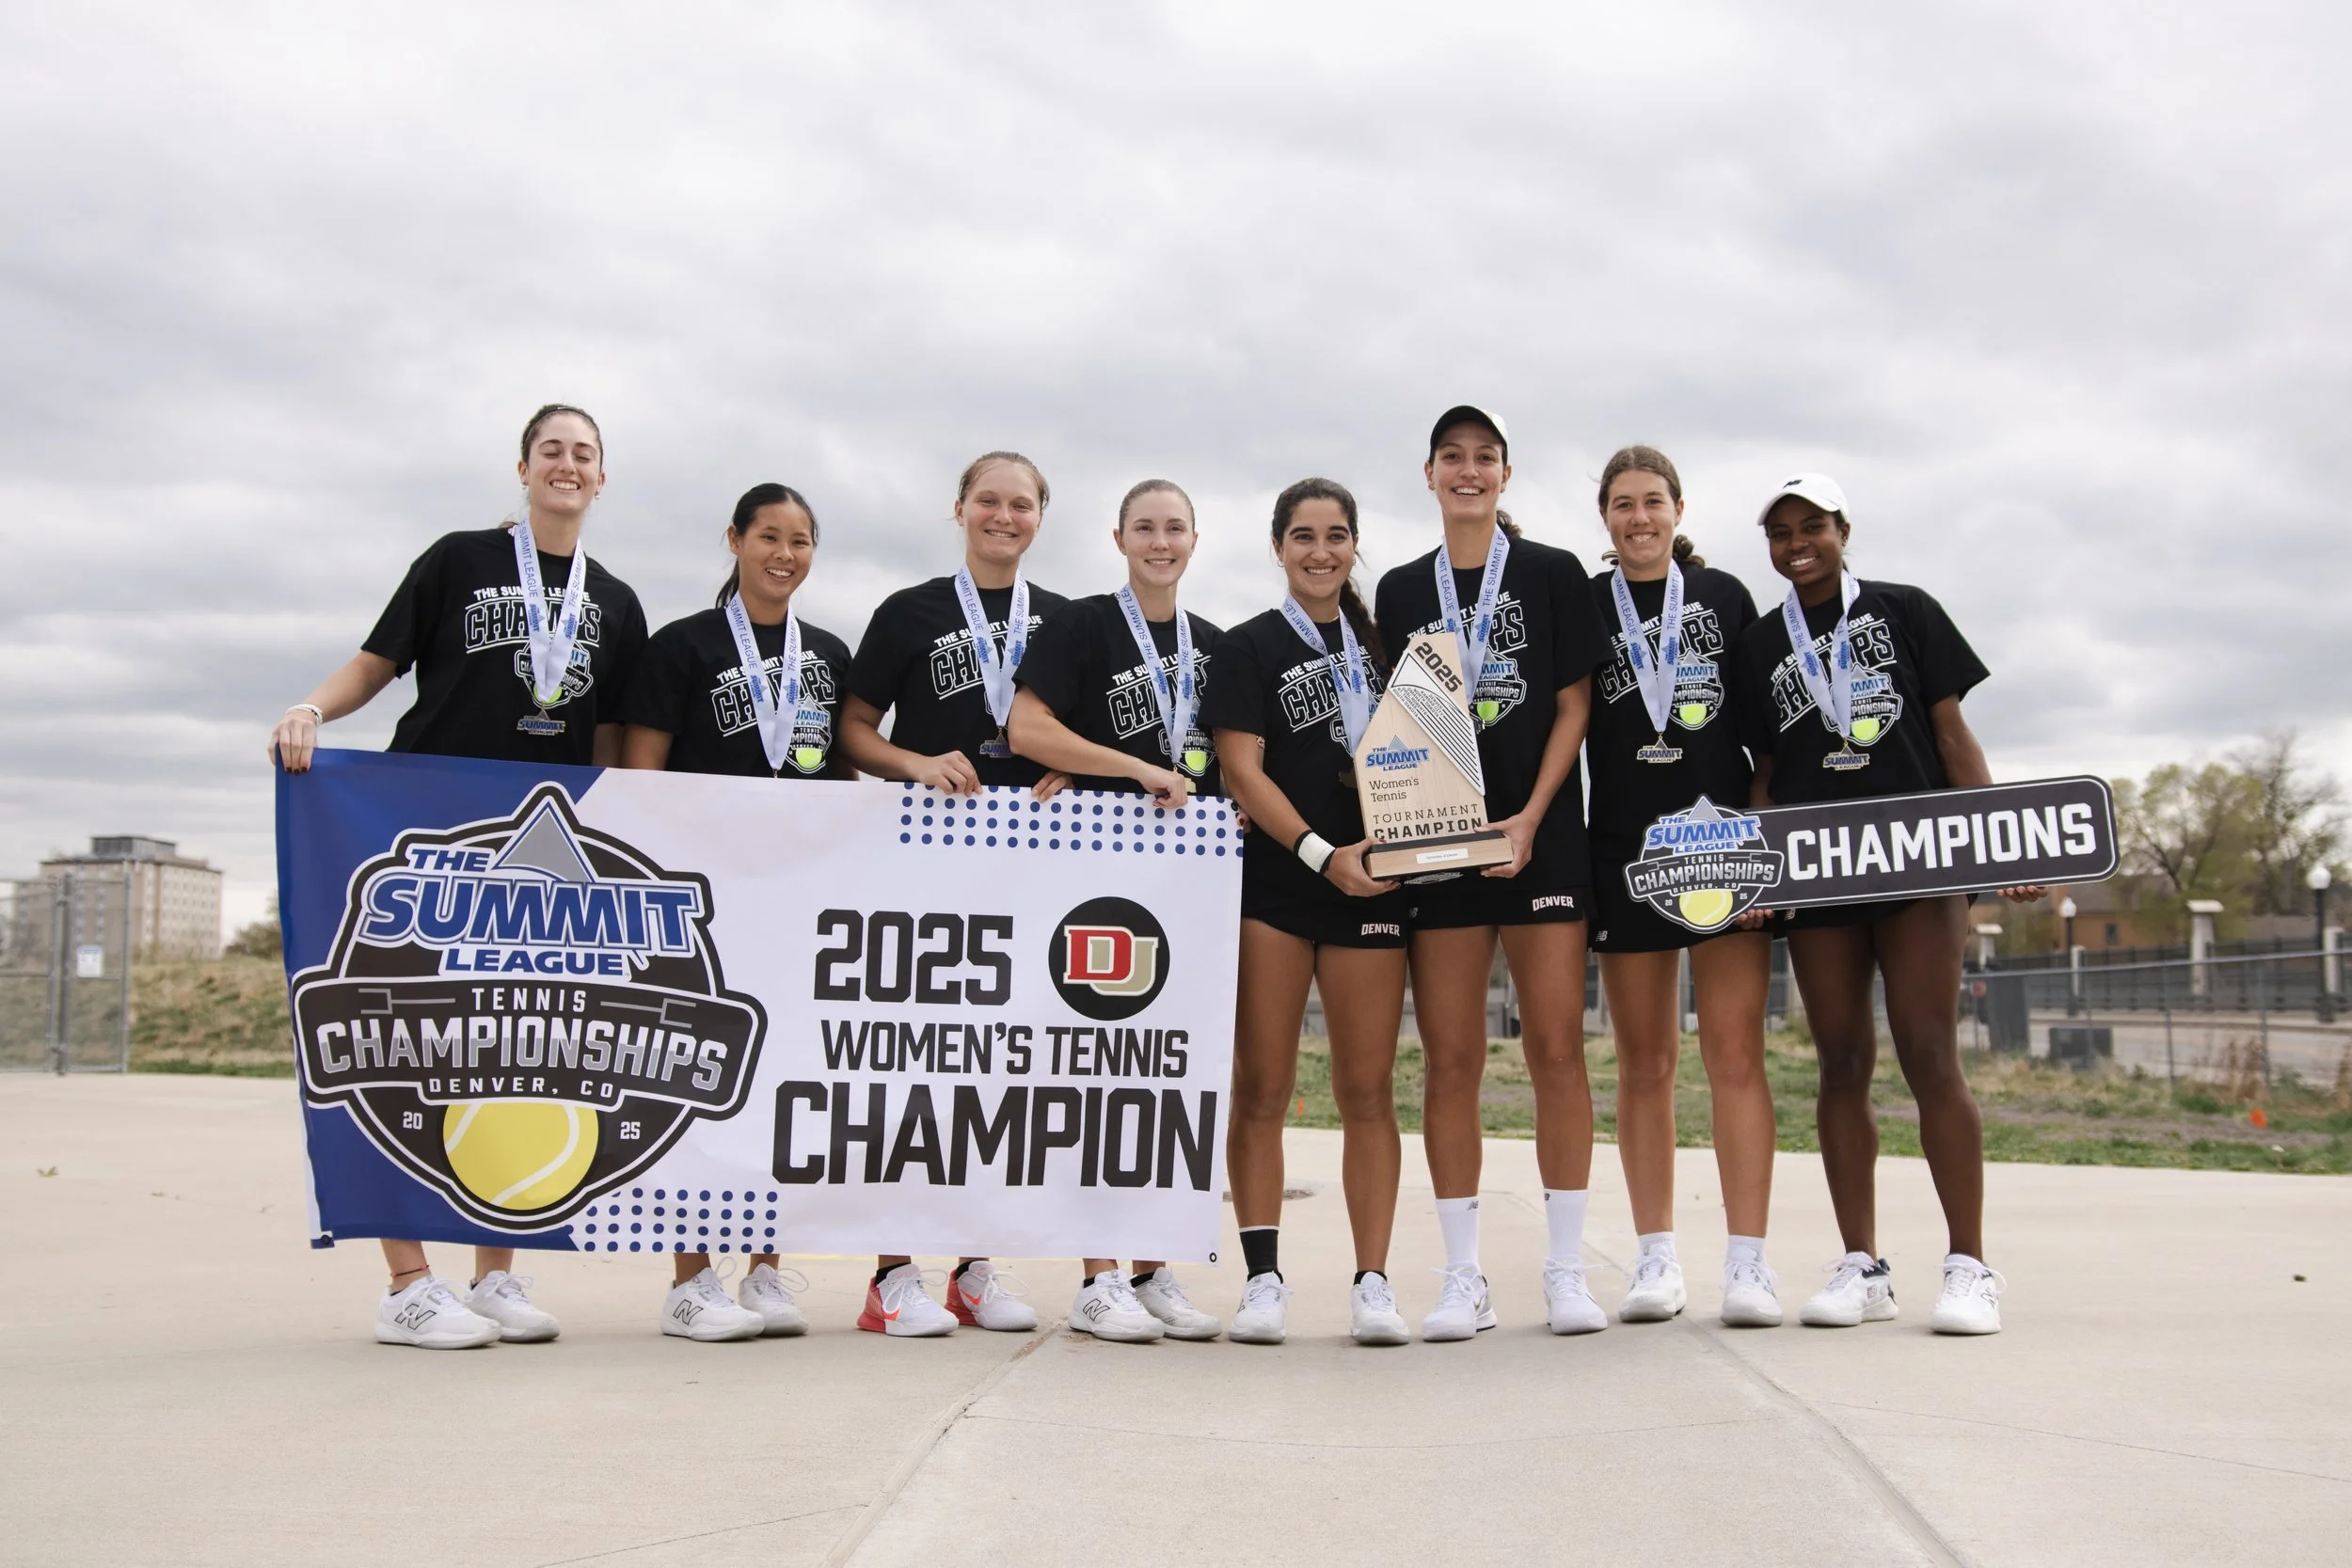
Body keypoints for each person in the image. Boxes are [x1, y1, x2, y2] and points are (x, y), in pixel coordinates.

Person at [267, 404, 647, 1349]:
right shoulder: (456, 559)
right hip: (425, 822)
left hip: (538, 847)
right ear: (523, 466)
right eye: (552, 449)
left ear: (604, 478)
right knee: (406, 1040)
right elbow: (377, 663)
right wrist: (310, 707)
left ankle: (496, 1275)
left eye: (584, 453)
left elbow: (609, 740)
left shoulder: (618, 600)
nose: (568, 463)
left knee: (517, 1046)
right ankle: (406, 1282)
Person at [1733, 473, 2040, 1336]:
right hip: (1820, 869)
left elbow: (1949, 734)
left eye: (1813, 526)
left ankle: (1970, 1265)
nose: (1798, 542)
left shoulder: (1906, 610)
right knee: (1839, 1063)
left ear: (1842, 529)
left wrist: (1995, 839)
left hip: (1916, 860)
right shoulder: (1762, 645)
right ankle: (1862, 1265)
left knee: (1930, 1053)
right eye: (1781, 530)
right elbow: (1765, 771)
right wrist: (1758, 870)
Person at [1373, 405, 1609, 1340]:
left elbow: (1573, 704)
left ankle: (1563, 1268)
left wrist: (1530, 817)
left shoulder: (1550, 573)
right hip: (1439, 843)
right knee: (1452, 1059)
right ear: (1429, 472)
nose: (1468, 471)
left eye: (1485, 458)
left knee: (1556, 1048)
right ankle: (1461, 1275)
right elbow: (1392, 724)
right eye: (1452, 457)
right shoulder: (1397, 588)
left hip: (1538, 837)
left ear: (1504, 475)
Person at [836, 451, 1064, 1337]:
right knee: (913, 1059)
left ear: (1040, 518)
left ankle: (972, 1267)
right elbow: (853, 731)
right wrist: (915, 762)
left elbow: (1068, 737)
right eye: (988, 501)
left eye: (1021, 504)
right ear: (959, 509)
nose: (1003, 516)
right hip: (924, 856)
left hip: (1026, 865)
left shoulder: (1065, 621)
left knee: (997, 1068)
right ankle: (892, 1274)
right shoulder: (911, 612)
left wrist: (1066, 773)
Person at [617, 483, 851, 1342]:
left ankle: (763, 1269)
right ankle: (688, 1279)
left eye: (800, 540)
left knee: (784, 1080)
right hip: (700, 898)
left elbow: (838, 781)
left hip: (792, 897)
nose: (784, 554)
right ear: (735, 540)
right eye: (768, 537)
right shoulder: (682, 645)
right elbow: (640, 774)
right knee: (695, 1078)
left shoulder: (826, 653)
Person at [1009, 478, 1225, 1343]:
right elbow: (1027, 728)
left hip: (1186, 886)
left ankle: (1151, 1263)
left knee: (1164, 1073)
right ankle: (1097, 1276)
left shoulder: (1212, 645)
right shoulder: (1084, 624)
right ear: (1119, 537)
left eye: (1175, 527)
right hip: (1094, 872)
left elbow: (1229, 758)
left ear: (1195, 539)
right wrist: (1124, 767)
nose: (1160, 541)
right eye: (1145, 527)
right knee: (1095, 1065)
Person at [1203, 477, 1413, 1347]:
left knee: (1367, 1089)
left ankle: (1372, 1280)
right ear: (1279, 547)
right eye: (1302, 536)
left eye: (1335, 535)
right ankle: (1262, 1280)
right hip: (1284, 883)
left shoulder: (1393, 644)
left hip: (1378, 879)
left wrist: (1396, 848)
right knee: (1263, 1089)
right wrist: (1324, 855)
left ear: (1355, 545)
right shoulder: (1248, 645)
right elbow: (1241, 771)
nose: (1320, 550)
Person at [1583, 447, 1780, 1328]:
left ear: (1678, 508)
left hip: (1726, 848)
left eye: (1652, 502)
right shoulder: (1587, 606)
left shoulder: (1725, 597)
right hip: (1626, 848)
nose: (1639, 519)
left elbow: (1769, 733)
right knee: (1645, 1063)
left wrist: (1768, 843)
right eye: (1622, 505)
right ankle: (1655, 1256)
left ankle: (1749, 1263)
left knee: (1735, 1056)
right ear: (1606, 517)